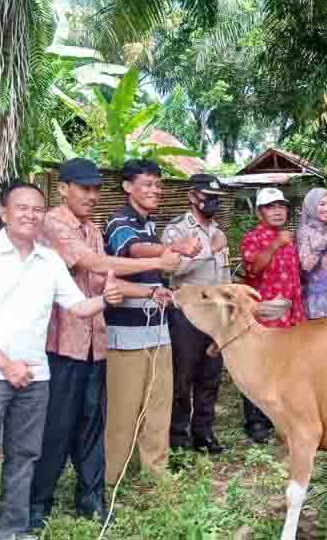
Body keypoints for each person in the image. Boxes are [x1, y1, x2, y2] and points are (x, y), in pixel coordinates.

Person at [0, 182, 123, 540]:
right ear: (4, 213)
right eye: (21, 208)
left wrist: (106, 299)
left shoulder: (49, 261)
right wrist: (5, 364)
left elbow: (78, 306)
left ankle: (11, 530)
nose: (30, 215)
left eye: (37, 209)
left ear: (44, 217)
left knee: (24, 457)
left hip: (34, 377)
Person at [28, 158, 181, 532]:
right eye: (83, 188)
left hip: (97, 342)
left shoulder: (94, 229)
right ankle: (38, 504)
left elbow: (106, 284)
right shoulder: (53, 224)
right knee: (58, 425)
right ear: (63, 188)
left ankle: (91, 498)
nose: (91, 196)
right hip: (62, 344)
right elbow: (92, 263)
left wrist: (151, 289)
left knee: (92, 423)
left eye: (96, 189)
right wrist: (161, 259)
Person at [103, 159, 196, 485]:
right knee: (123, 410)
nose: (155, 190)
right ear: (128, 187)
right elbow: (132, 249)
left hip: (157, 327)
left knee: (158, 404)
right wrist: (173, 247)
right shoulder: (120, 222)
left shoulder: (149, 223)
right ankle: (111, 478)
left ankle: (156, 472)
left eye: (158, 185)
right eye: (147, 184)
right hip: (125, 332)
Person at [161, 173, 232, 456]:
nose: (212, 203)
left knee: (210, 376)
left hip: (214, 314)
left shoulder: (218, 230)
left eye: (216, 198)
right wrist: (207, 251)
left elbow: (224, 274)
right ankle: (177, 439)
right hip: (187, 314)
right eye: (207, 197)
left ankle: (204, 434)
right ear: (192, 196)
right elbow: (171, 269)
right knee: (182, 377)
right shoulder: (177, 230)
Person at [239, 187, 306, 442]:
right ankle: (256, 421)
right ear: (259, 212)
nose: (278, 211)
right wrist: (275, 245)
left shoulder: (290, 238)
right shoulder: (253, 238)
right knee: (260, 366)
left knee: (287, 367)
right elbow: (253, 270)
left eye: (281, 206)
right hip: (266, 315)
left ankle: (280, 417)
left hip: (291, 313)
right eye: (270, 207)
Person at [296, 187, 327, 320]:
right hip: (316, 300)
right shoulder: (304, 232)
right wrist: (326, 239)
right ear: (311, 205)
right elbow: (306, 266)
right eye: (322, 204)